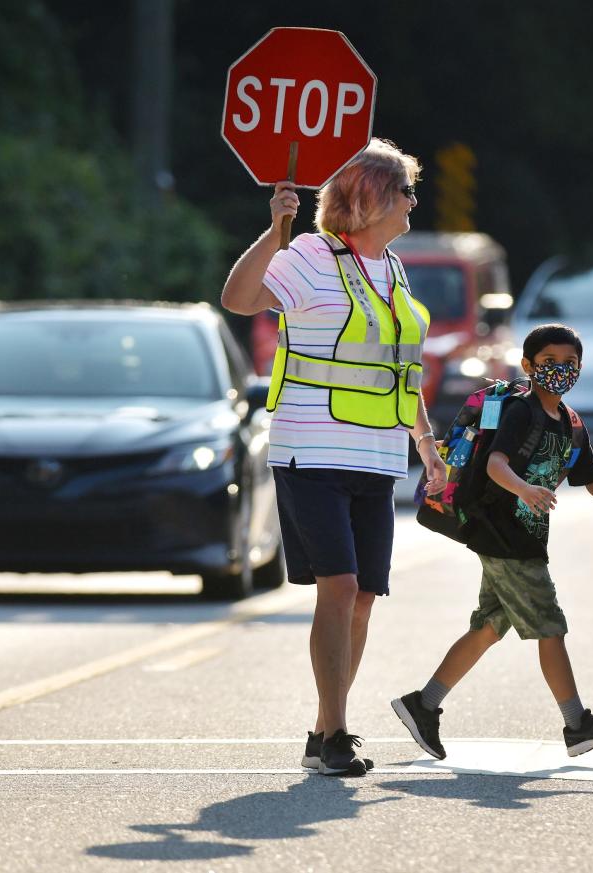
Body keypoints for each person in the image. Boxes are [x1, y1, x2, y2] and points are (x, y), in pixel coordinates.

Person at [220, 138, 448, 776]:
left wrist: (426, 447)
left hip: (377, 456)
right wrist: (274, 231)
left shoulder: (393, 270)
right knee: (339, 587)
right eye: (405, 190)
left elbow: (401, 374)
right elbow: (239, 299)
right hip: (309, 449)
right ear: (371, 197)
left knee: (365, 597)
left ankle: (324, 730)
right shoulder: (311, 256)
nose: (413, 201)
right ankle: (340, 733)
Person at [390, 323, 593, 760]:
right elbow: (496, 465)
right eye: (548, 363)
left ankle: (423, 704)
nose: (560, 371)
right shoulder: (522, 412)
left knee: (489, 626)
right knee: (549, 626)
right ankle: (577, 723)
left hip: (522, 534)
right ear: (527, 366)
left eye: (569, 364)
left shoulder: (571, 424)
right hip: (502, 531)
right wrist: (524, 489)